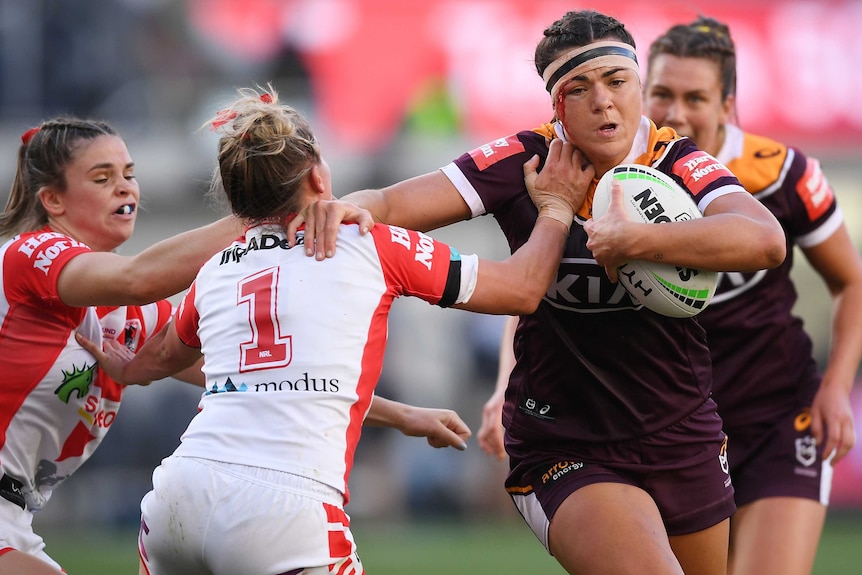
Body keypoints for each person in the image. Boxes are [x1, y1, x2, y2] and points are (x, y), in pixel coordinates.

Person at [288, 9, 788, 575]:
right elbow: (395, 204)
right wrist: (355, 208)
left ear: (638, 87)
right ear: (557, 105)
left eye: (616, 82)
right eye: (580, 88)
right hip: (566, 444)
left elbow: (766, 240)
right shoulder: (525, 160)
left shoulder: (677, 162)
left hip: (683, 431)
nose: (603, 102)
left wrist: (639, 240)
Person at [75, 84, 587, 575]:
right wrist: (557, 207)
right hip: (286, 510)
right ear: (319, 178)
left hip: (175, 500)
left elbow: (163, 358)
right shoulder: (369, 243)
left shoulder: (215, 269)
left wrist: (127, 367)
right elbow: (521, 291)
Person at [0, 116, 475, 575]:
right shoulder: (28, 255)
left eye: (128, 175)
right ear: (52, 201)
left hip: (17, 517)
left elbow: (271, 379)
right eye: (102, 178)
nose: (125, 188)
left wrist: (406, 416)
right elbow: (136, 278)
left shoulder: (126, 317)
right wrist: (274, 203)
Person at [642, 17, 862, 575]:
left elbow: (851, 280)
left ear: (727, 105)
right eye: (662, 94)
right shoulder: (618, 179)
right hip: (674, 430)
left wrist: (836, 386)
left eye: (696, 97)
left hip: (776, 420)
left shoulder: (780, 175)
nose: (676, 113)